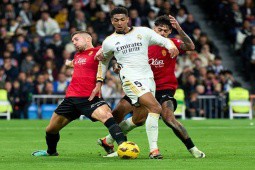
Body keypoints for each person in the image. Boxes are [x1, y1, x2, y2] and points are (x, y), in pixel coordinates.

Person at [98, 15, 205, 158]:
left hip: (164, 87)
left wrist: (179, 28)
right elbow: (120, 58)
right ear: (154, 28)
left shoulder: (171, 43)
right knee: (120, 113)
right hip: (140, 84)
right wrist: (116, 65)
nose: (162, 33)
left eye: (165, 31)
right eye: (159, 29)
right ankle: (109, 140)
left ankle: (193, 149)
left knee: (168, 118)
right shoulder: (142, 42)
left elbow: (191, 46)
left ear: (169, 32)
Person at [91, 7, 179, 159]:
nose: (119, 23)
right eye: (116, 20)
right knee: (155, 107)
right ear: (112, 21)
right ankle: (154, 151)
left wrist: (171, 46)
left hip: (148, 79)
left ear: (128, 19)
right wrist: (99, 81)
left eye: (122, 19)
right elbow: (103, 62)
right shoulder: (109, 41)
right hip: (130, 79)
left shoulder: (143, 32)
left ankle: (108, 140)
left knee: (138, 119)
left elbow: (163, 40)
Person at [31, 31, 126, 156]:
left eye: (76, 39)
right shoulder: (77, 56)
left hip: (90, 98)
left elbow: (113, 56)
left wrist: (114, 63)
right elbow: (76, 64)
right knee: (50, 129)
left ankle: (124, 147)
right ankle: (51, 152)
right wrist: (69, 64)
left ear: (88, 39)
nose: (74, 43)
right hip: (71, 99)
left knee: (107, 116)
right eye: (73, 41)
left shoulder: (99, 51)